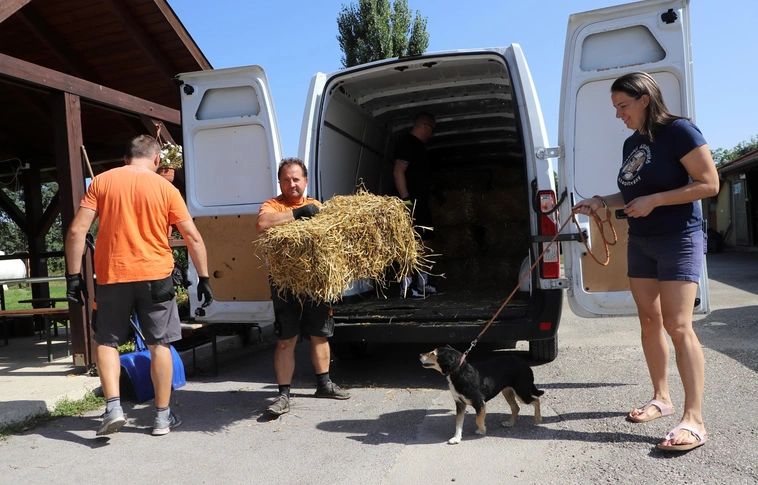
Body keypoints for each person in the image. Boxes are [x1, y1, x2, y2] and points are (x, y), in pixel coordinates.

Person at [572, 71, 718, 452]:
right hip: (641, 241)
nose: (618, 114)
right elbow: (631, 194)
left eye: (623, 105)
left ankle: (694, 419)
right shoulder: (631, 143)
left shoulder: (680, 131)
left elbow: (709, 183)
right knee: (650, 321)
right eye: (615, 107)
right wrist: (601, 202)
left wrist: (655, 201)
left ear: (645, 100)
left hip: (678, 238)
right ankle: (661, 398)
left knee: (678, 325)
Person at [65, 135, 214, 437]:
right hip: (156, 275)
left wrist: (73, 276)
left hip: (113, 275)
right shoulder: (166, 188)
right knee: (160, 344)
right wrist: (204, 278)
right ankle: (161, 417)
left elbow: (76, 232)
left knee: (106, 342)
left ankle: (113, 409)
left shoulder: (102, 182)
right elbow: (193, 237)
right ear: (157, 159)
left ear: (125, 158)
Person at [256, 157, 351, 416]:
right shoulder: (273, 205)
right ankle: (283, 395)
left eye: (296, 179)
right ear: (280, 183)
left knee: (320, 334)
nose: (292, 184)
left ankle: (324, 384)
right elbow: (262, 224)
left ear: (306, 181)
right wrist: (297, 214)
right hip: (284, 283)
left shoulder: (317, 206)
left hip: (315, 282)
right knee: (286, 339)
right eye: (286, 180)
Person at [393, 112, 439, 298]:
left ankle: (423, 282)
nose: (431, 134)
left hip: (420, 200)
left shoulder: (418, 147)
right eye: (432, 130)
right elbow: (398, 171)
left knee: (426, 240)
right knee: (408, 243)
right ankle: (406, 286)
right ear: (425, 127)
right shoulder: (407, 143)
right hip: (410, 201)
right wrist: (406, 201)